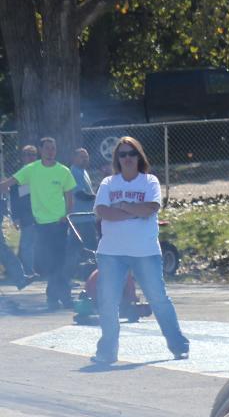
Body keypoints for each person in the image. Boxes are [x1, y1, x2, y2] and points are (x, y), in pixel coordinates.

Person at [91, 137, 188, 364]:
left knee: (159, 299)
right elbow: (103, 212)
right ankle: (107, 352)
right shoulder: (108, 183)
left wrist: (123, 207)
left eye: (131, 153)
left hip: (145, 251)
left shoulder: (149, 181)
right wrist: (136, 210)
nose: (127, 158)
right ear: (117, 159)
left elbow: (151, 208)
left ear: (138, 157)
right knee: (108, 301)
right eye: (122, 154)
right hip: (111, 252)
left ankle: (178, 346)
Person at [0, 137, 77, 309]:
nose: (50, 151)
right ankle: (57, 296)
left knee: (59, 262)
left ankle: (59, 297)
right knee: (47, 263)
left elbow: (69, 196)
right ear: (41, 151)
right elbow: (9, 183)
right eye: (47, 148)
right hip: (41, 224)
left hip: (59, 223)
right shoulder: (31, 169)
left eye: (53, 148)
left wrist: (67, 215)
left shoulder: (63, 171)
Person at [11, 144, 37, 276]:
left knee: (39, 243)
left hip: (42, 213)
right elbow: (15, 197)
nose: (31, 157)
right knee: (28, 243)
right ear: (23, 157)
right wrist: (15, 217)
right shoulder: (19, 175)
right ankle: (28, 270)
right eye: (27, 154)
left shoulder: (41, 171)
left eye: (33, 154)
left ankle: (38, 268)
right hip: (27, 215)